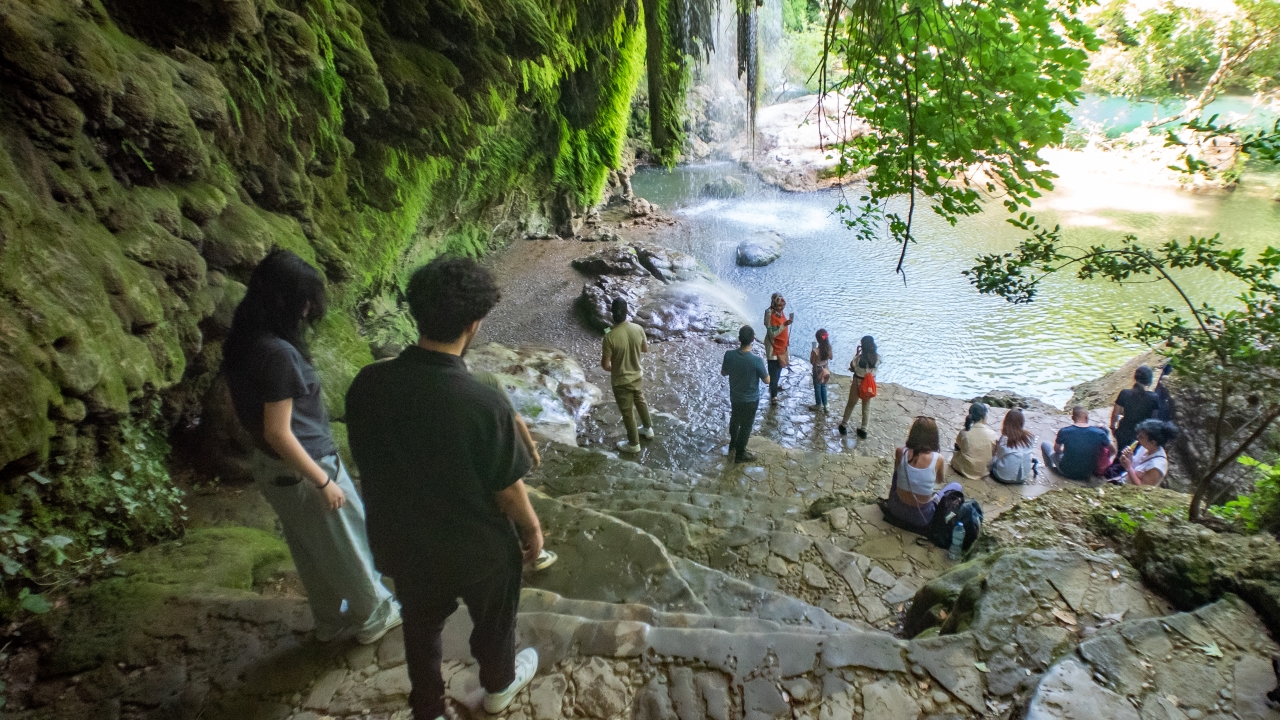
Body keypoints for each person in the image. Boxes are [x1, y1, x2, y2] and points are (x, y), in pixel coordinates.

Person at [345, 257, 543, 720]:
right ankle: (497, 687)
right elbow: (506, 487)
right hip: (477, 549)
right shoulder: (482, 402)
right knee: (494, 623)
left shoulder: (368, 385)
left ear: (417, 312)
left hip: (403, 540)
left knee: (420, 624)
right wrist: (531, 528)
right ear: (474, 324)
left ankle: (428, 705)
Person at [221, 249, 401, 646]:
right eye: (305, 301)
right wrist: (322, 480)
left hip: (274, 470)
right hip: (304, 466)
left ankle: (331, 620)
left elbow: (252, 418)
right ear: (287, 302)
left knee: (311, 550)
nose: (309, 309)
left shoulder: (242, 340)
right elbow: (278, 431)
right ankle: (374, 617)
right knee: (349, 543)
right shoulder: (279, 354)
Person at [885, 416, 963, 532]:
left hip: (895, 509)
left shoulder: (900, 452)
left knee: (898, 472)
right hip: (922, 518)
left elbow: (897, 472)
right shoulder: (938, 459)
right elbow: (939, 480)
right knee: (956, 486)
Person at [602, 297, 654, 454]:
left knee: (627, 412)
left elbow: (605, 365)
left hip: (621, 381)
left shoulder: (609, 337)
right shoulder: (638, 328)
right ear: (627, 312)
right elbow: (645, 349)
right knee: (640, 400)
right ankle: (648, 429)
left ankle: (633, 444)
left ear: (612, 314)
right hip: (637, 375)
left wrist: (614, 366)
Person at [721, 325, 770, 463]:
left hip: (735, 397)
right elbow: (767, 381)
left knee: (735, 419)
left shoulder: (729, 355)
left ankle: (733, 444)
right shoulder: (756, 361)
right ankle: (740, 453)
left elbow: (724, 372)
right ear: (753, 339)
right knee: (746, 426)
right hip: (751, 400)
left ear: (739, 339)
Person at [1042, 406, 1113, 481]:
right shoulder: (1099, 433)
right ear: (1087, 417)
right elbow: (1113, 451)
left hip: (1066, 471)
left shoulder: (1064, 431)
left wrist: (1063, 452)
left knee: (1045, 444)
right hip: (1088, 472)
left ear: (1072, 418)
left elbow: (1056, 449)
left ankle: (1049, 468)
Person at [1111, 365, 1159, 451]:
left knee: (1121, 456)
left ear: (1135, 378)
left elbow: (1115, 414)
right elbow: (1154, 420)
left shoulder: (1124, 393)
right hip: (1141, 436)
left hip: (1123, 432)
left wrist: (1112, 427)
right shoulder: (1154, 398)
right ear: (1149, 382)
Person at [839, 336, 878, 439]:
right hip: (869, 386)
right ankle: (864, 429)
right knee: (866, 407)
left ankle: (844, 425)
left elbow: (852, 366)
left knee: (851, 404)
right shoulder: (877, 358)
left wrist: (857, 353)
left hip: (858, 383)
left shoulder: (859, 359)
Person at [1119, 419, 1179, 486]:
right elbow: (1134, 467)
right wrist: (1129, 458)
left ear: (1153, 442)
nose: (1137, 437)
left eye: (1141, 437)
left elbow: (1143, 487)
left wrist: (1128, 467)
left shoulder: (1157, 465)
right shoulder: (1144, 448)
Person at [951, 403, 999, 480]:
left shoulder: (964, 433)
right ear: (983, 417)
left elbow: (958, 447)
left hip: (965, 469)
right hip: (983, 471)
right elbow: (994, 452)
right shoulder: (992, 435)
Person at [990, 408, 1037, 485]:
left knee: (993, 460)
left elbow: (998, 456)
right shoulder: (1030, 437)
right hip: (1024, 477)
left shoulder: (1005, 439)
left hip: (1003, 477)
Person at [763, 293, 794, 401]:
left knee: (780, 367)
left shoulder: (780, 313)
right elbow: (772, 334)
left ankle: (774, 386)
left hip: (782, 346)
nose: (781, 308)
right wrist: (784, 324)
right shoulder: (769, 314)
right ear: (774, 304)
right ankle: (774, 396)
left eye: (782, 306)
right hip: (773, 347)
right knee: (773, 371)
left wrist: (787, 322)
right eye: (779, 306)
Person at [810, 329, 833, 412]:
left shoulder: (815, 351)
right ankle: (826, 404)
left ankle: (818, 404)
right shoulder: (829, 348)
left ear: (817, 339)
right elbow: (831, 357)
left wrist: (812, 352)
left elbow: (812, 362)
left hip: (817, 370)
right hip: (826, 369)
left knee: (817, 386)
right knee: (823, 386)